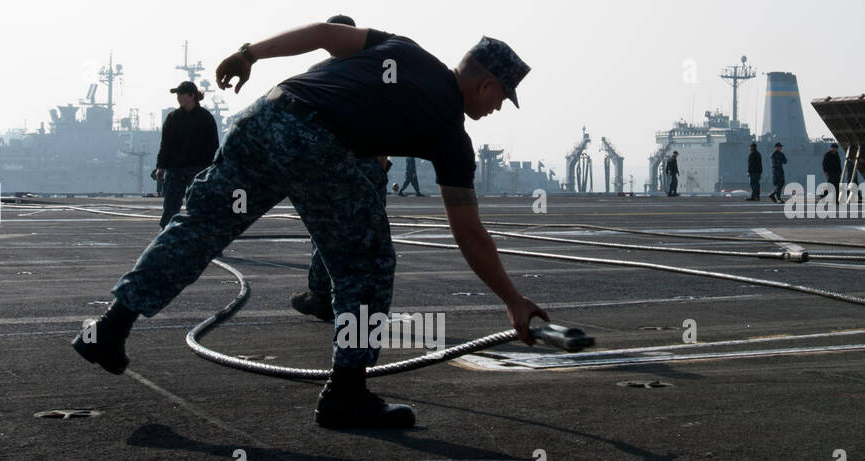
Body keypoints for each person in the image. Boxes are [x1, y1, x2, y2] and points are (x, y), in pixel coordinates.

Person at [72, 23, 547, 430]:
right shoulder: (450, 134)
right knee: (366, 263)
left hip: (265, 116)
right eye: (504, 98)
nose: (499, 109)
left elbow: (323, 34)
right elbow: (468, 232)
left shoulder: (403, 49)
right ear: (487, 86)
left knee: (197, 227)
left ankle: (111, 328)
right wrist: (512, 300)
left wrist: (248, 54)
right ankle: (346, 394)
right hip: (315, 143)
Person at [291, 14, 393, 322]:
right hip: (369, 164)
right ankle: (367, 304)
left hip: (332, 166)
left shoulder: (316, 74)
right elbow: (390, 116)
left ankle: (322, 296)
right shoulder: (377, 73)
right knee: (372, 236)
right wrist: (383, 157)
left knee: (326, 232)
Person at [156, 81, 220, 228]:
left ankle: (201, 241)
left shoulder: (205, 118)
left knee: (199, 208)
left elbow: (213, 145)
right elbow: (165, 145)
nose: (178, 97)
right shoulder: (172, 118)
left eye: (181, 94)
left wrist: (206, 168)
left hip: (198, 170)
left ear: (191, 96)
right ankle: (165, 241)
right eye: (177, 94)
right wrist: (161, 166)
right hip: (175, 170)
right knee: (170, 209)